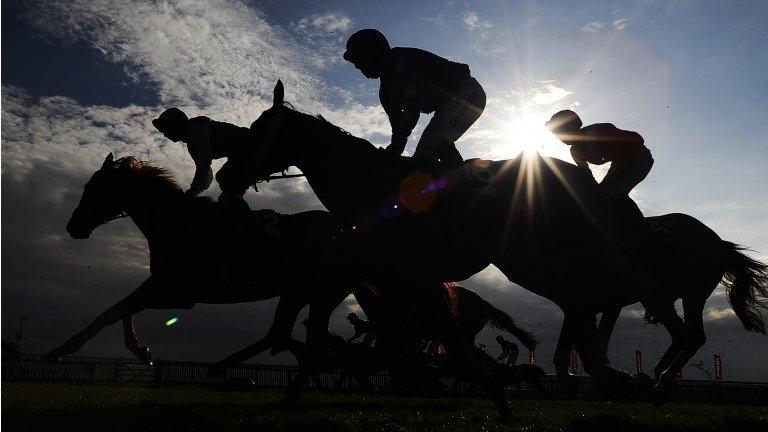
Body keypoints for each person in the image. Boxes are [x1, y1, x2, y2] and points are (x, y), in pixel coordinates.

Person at [343, 29, 486, 168]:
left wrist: (395, 148)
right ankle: (456, 178)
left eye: (361, 62)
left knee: (434, 144)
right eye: (357, 65)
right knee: (422, 156)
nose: (359, 68)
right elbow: (398, 126)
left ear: (376, 54)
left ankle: (464, 184)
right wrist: (395, 148)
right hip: (450, 103)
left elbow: (413, 109)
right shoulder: (385, 93)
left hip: (469, 93)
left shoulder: (403, 61)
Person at [152, 108, 254, 211]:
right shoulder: (192, 144)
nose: (165, 135)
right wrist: (192, 193)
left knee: (225, 179)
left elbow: (204, 162)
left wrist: (191, 193)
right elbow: (205, 175)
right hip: (241, 152)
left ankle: (247, 220)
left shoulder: (196, 128)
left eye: (166, 129)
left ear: (176, 125)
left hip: (251, 144)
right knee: (225, 182)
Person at [545, 110, 653, 197]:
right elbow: (587, 176)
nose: (558, 136)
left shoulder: (598, 132)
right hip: (619, 163)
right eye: (555, 134)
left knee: (612, 194)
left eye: (558, 131)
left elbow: (638, 140)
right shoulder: (575, 151)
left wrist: (616, 178)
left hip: (639, 156)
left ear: (571, 126)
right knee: (601, 193)